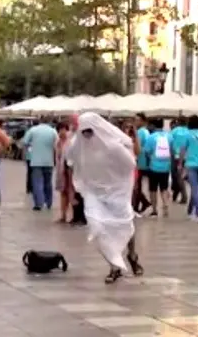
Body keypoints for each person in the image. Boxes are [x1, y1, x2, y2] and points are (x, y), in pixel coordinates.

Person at [66, 112, 143, 284]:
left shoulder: (114, 145)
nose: (86, 136)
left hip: (116, 192)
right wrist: (73, 191)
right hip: (94, 193)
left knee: (123, 223)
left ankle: (131, 255)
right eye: (83, 132)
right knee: (98, 227)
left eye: (89, 131)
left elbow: (131, 163)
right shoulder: (77, 144)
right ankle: (114, 265)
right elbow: (71, 163)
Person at [22, 116, 59, 211]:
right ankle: (49, 202)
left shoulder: (33, 130)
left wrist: (25, 156)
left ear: (40, 121)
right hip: (49, 161)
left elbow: (25, 143)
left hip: (36, 161)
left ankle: (39, 203)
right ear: (48, 121)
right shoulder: (53, 131)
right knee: (48, 183)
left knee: (37, 183)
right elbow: (57, 145)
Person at [179, 115, 198, 223]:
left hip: (191, 165)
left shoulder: (187, 134)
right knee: (196, 189)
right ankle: (189, 211)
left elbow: (183, 150)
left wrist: (180, 163)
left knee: (195, 190)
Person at [142, 118, 172, 217]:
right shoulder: (169, 136)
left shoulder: (151, 137)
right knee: (164, 188)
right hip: (166, 167)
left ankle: (154, 210)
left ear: (153, 126)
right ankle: (166, 205)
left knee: (153, 189)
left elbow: (146, 151)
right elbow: (172, 150)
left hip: (153, 167)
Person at [133, 113, 152, 214]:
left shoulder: (140, 132)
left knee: (136, 185)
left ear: (142, 121)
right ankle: (142, 203)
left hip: (140, 161)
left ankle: (139, 204)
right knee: (137, 185)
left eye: (137, 120)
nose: (135, 122)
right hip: (144, 161)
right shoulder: (147, 132)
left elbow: (136, 146)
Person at [54, 121, 72, 223]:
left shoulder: (70, 141)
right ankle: (63, 215)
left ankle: (71, 215)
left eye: (63, 130)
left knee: (70, 192)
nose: (61, 132)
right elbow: (57, 156)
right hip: (60, 170)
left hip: (68, 170)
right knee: (62, 192)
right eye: (59, 130)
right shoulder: (57, 142)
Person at [169, 117, 189, 203]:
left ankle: (183, 195)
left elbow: (170, 142)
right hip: (187, 156)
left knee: (177, 176)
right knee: (180, 176)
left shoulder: (175, 131)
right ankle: (177, 192)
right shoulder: (189, 131)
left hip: (176, 156)